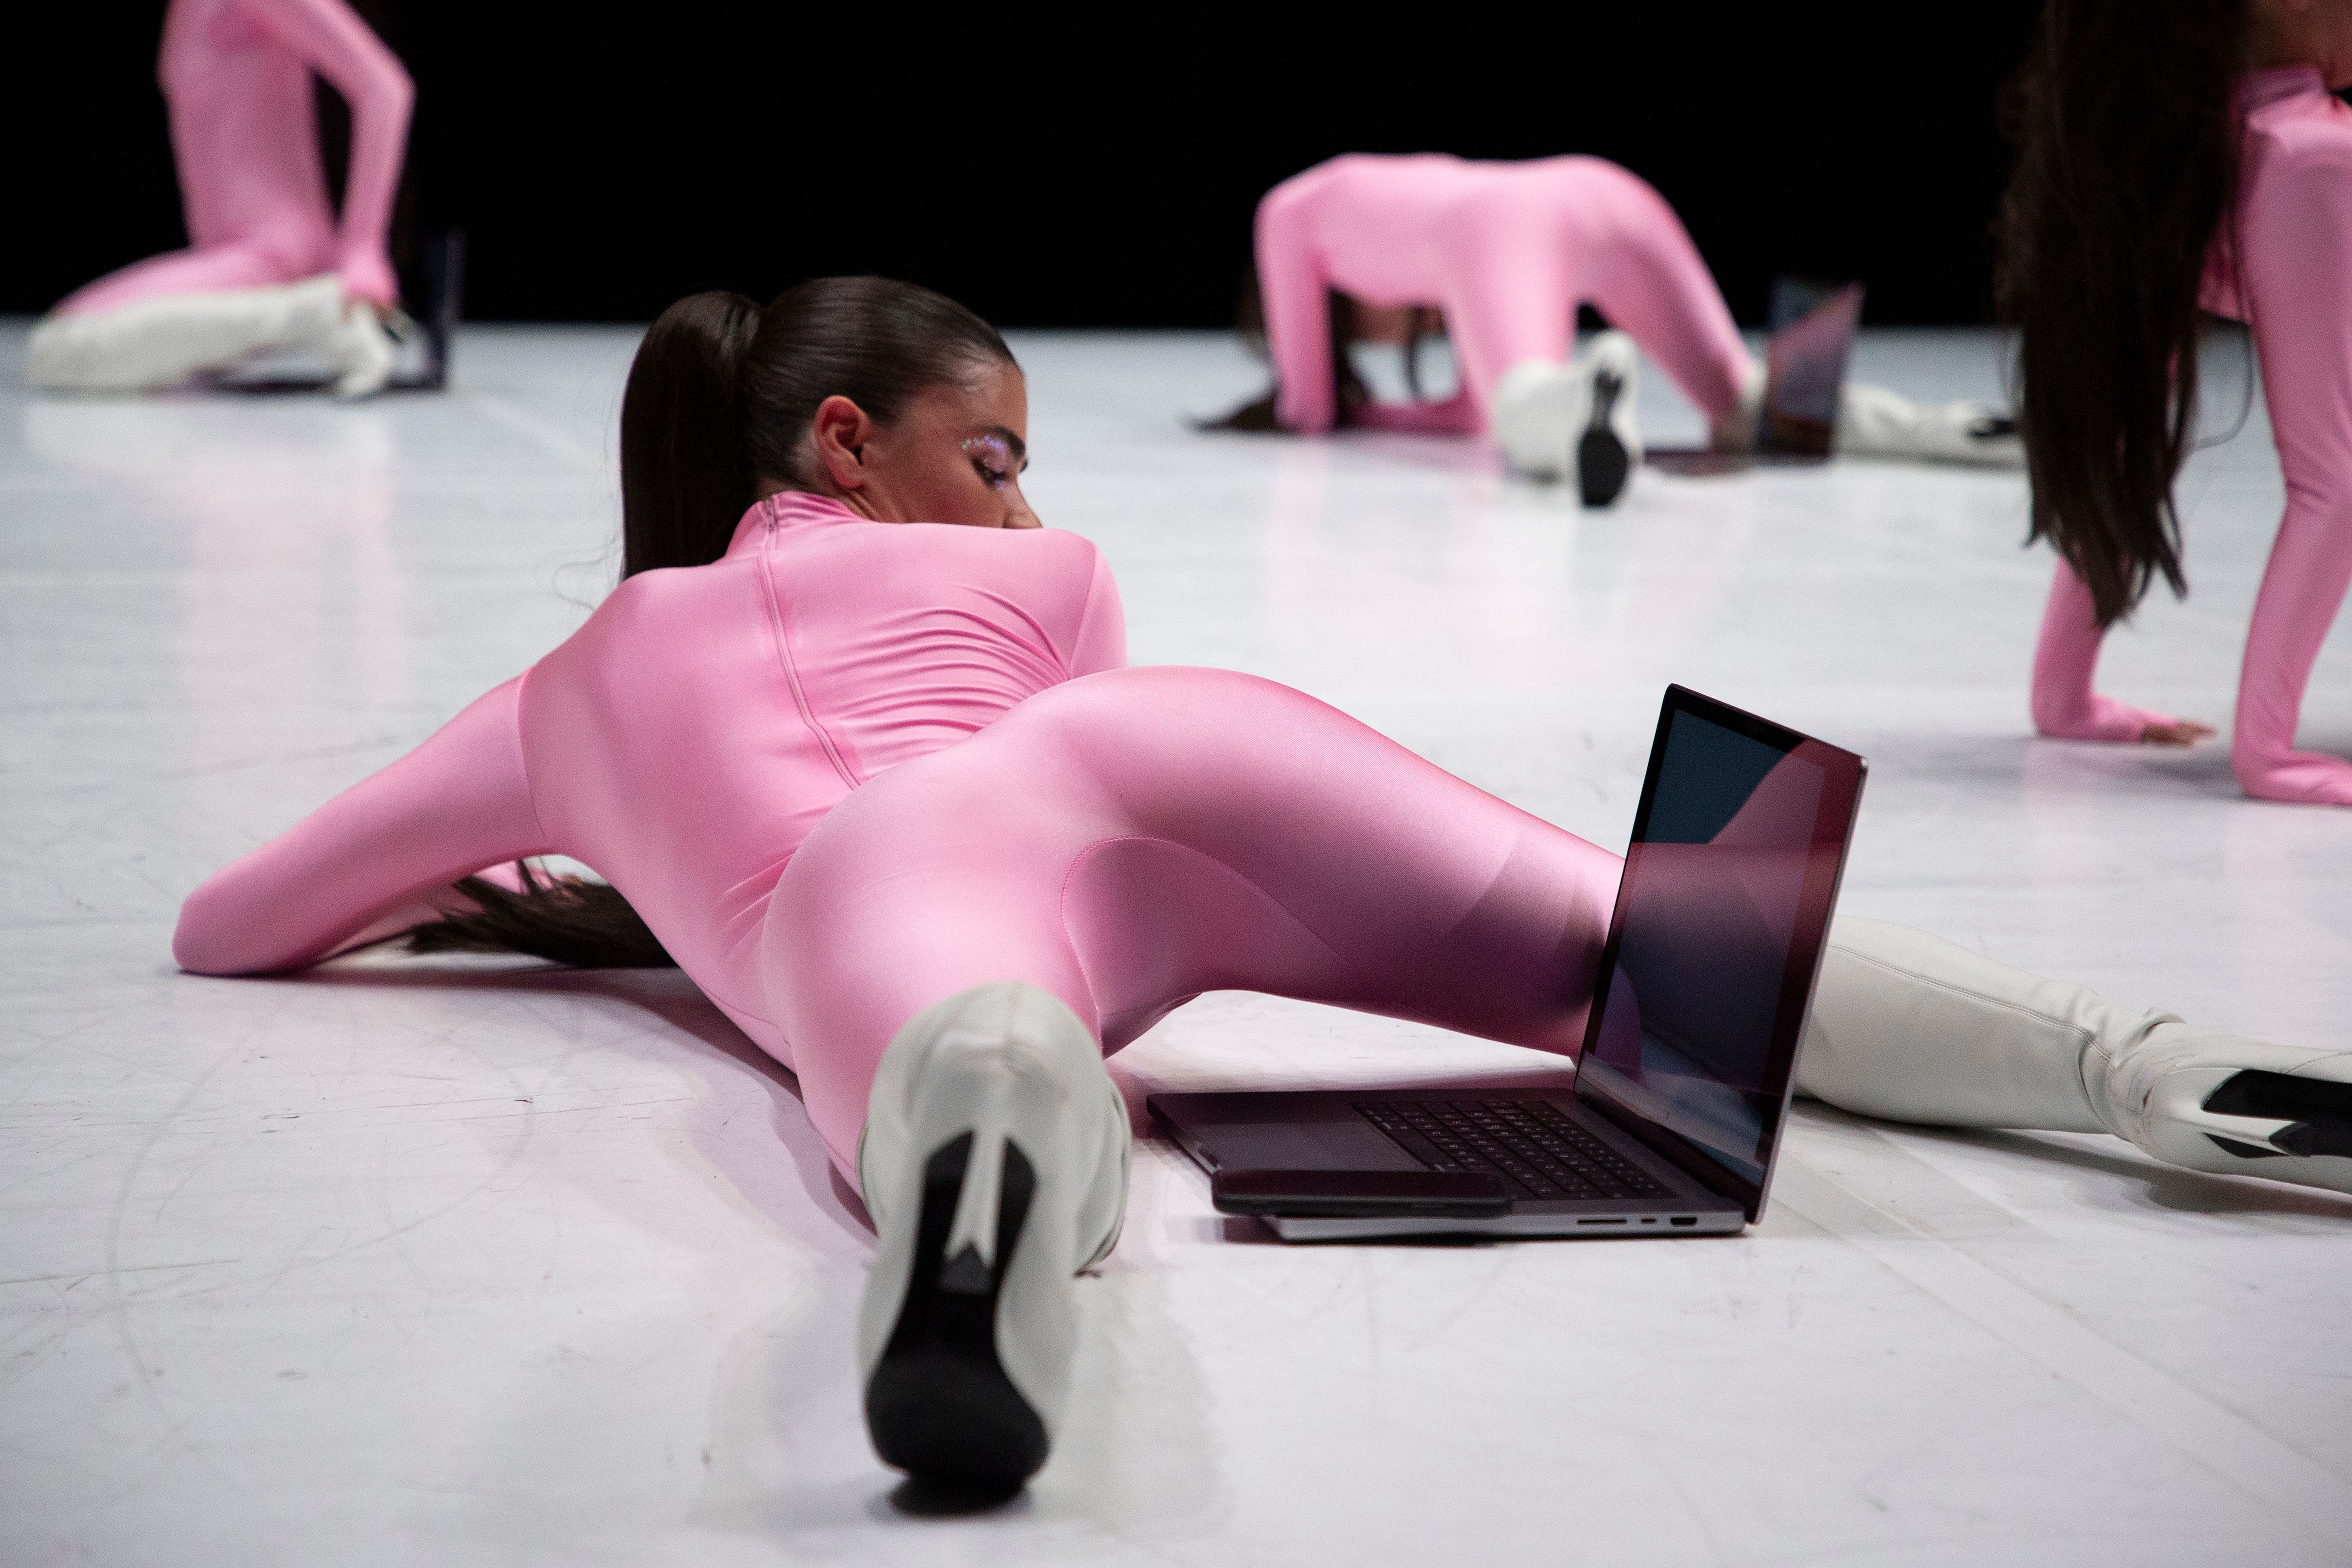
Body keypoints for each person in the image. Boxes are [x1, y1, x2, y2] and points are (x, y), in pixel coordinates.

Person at [173, 278, 2351, 1501]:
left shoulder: (565, 689)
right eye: (990, 453)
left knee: (981, 1034)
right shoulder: (1049, 587)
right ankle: (2178, 1075)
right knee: (1650, 944)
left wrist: (573, 872)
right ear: (842, 445)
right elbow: (1111, 806)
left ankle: (975, 1254)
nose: (1027, 505)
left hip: (863, 879)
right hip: (1170, 745)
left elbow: (234, 921)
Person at [1212, 153, 2021, 506]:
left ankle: (1596, 383)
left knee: (1526, 399)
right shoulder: (1392, 196)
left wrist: (1355, 412)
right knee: (1748, 402)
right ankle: (1984, 433)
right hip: (1596, 188)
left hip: (1503, 224)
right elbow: (1461, 412)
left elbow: (1307, 410)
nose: (1386, 349)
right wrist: (1395, 415)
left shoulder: (1283, 214)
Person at [2007, 0, 2352, 805]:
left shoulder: (2189, 147)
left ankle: (2071, 693)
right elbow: (2334, 484)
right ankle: (2264, 741)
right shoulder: (2305, 153)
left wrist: (2066, 699)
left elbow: (2123, 437)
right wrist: (2269, 756)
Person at [26, 0, 412, 399]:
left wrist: (363, 246)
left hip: (274, 250)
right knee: (65, 349)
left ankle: (319, 316)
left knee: (61, 349)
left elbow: (384, 88)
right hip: (239, 254)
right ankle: (308, 315)